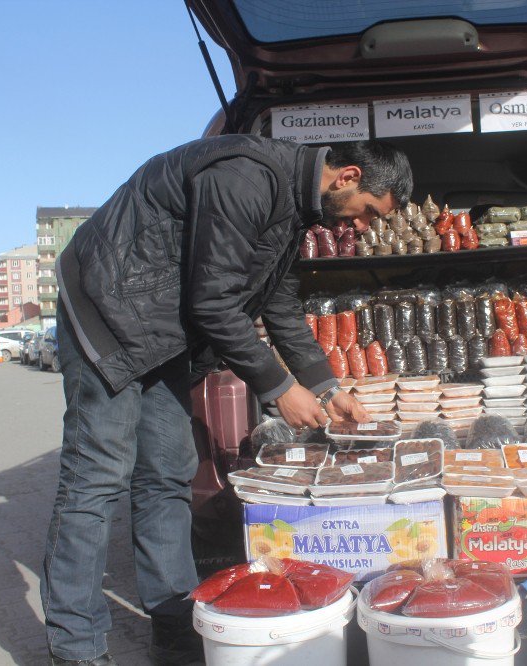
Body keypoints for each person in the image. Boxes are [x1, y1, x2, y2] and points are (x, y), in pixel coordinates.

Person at [42, 136, 412, 666]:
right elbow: (213, 302)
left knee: (168, 472)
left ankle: (174, 623)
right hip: (107, 311)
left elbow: (279, 307)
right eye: (368, 213)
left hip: (163, 331)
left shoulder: (294, 209)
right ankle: (75, 645)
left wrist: (330, 388)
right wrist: (279, 389)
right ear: (348, 176)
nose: (361, 228)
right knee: (97, 477)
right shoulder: (247, 176)